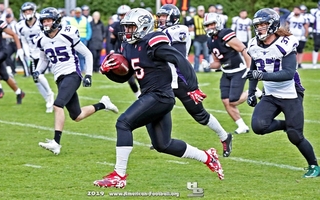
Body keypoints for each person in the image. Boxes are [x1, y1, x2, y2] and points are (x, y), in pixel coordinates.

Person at [94, 8, 224, 189]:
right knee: (163, 144)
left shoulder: (153, 41)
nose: (127, 31)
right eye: (126, 27)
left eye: (131, 27)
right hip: (151, 96)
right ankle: (208, 157)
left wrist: (193, 87)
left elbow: (180, 59)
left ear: (143, 26)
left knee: (123, 123)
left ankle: (119, 175)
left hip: (161, 95)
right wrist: (109, 72)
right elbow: (127, 76)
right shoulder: (128, 45)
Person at [245, 8, 320, 178]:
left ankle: (314, 165)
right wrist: (251, 92)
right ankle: (285, 125)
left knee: (295, 136)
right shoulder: (253, 45)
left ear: (272, 25)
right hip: (270, 94)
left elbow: (288, 72)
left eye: (264, 24)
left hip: (291, 93)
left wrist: (262, 75)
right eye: (258, 25)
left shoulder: (285, 43)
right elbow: (253, 69)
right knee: (258, 127)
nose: (260, 28)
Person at [33, 7, 119, 155]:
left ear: (56, 21)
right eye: (44, 21)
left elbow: (87, 54)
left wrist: (88, 75)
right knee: (77, 116)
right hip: (59, 78)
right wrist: (37, 71)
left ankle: (56, 142)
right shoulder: (41, 40)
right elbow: (43, 59)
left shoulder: (67, 34)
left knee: (57, 104)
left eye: (48, 20)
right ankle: (103, 104)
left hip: (72, 74)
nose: (46, 23)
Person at [156, 4, 232, 157]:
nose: (160, 19)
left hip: (182, 80)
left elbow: (174, 54)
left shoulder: (179, 30)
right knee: (157, 107)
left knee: (200, 115)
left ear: (173, 17)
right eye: (160, 16)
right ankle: (161, 140)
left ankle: (225, 136)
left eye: (164, 16)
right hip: (166, 81)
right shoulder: (161, 32)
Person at [203, 13, 252, 134]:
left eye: (212, 24)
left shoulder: (225, 34)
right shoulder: (210, 41)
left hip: (238, 70)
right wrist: (208, 65)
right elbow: (217, 63)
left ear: (218, 23)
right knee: (226, 101)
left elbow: (243, 49)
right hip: (226, 72)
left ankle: (253, 92)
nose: (210, 27)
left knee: (233, 101)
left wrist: (249, 67)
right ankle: (242, 125)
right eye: (207, 25)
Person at [16, 2, 55, 113]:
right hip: (33, 52)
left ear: (33, 11)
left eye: (29, 10)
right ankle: (48, 98)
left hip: (44, 51)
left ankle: (50, 94)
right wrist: (25, 51)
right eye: (25, 11)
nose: (28, 13)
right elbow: (23, 40)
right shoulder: (20, 26)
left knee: (45, 74)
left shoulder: (41, 21)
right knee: (36, 79)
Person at [109, 5, 141, 98]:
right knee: (130, 79)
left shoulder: (136, 24)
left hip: (137, 53)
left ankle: (145, 93)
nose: (123, 17)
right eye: (121, 15)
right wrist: (111, 50)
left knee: (141, 76)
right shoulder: (116, 25)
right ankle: (138, 95)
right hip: (124, 54)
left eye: (124, 14)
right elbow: (112, 41)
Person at [67, 7, 92, 75]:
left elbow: (88, 29)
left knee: (82, 55)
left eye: (79, 13)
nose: (78, 14)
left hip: (83, 39)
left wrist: (87, 38)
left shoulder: (85, 19)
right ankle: (75, 69)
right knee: (74, 55)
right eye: (76, 13)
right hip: (73, 40)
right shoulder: (71, 20)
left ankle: (82, 69)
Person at [192, 5, 210, 73]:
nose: (201, 12)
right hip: (197, 39)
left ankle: (207, 68)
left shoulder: (207, 17)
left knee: (206, 55)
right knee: (197, 55)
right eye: (200, 11)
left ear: (204, 11)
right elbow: (187, 23)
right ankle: (196, 69)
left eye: (202, 11)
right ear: (197, 11)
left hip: (205, 38)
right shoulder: (195, 18)